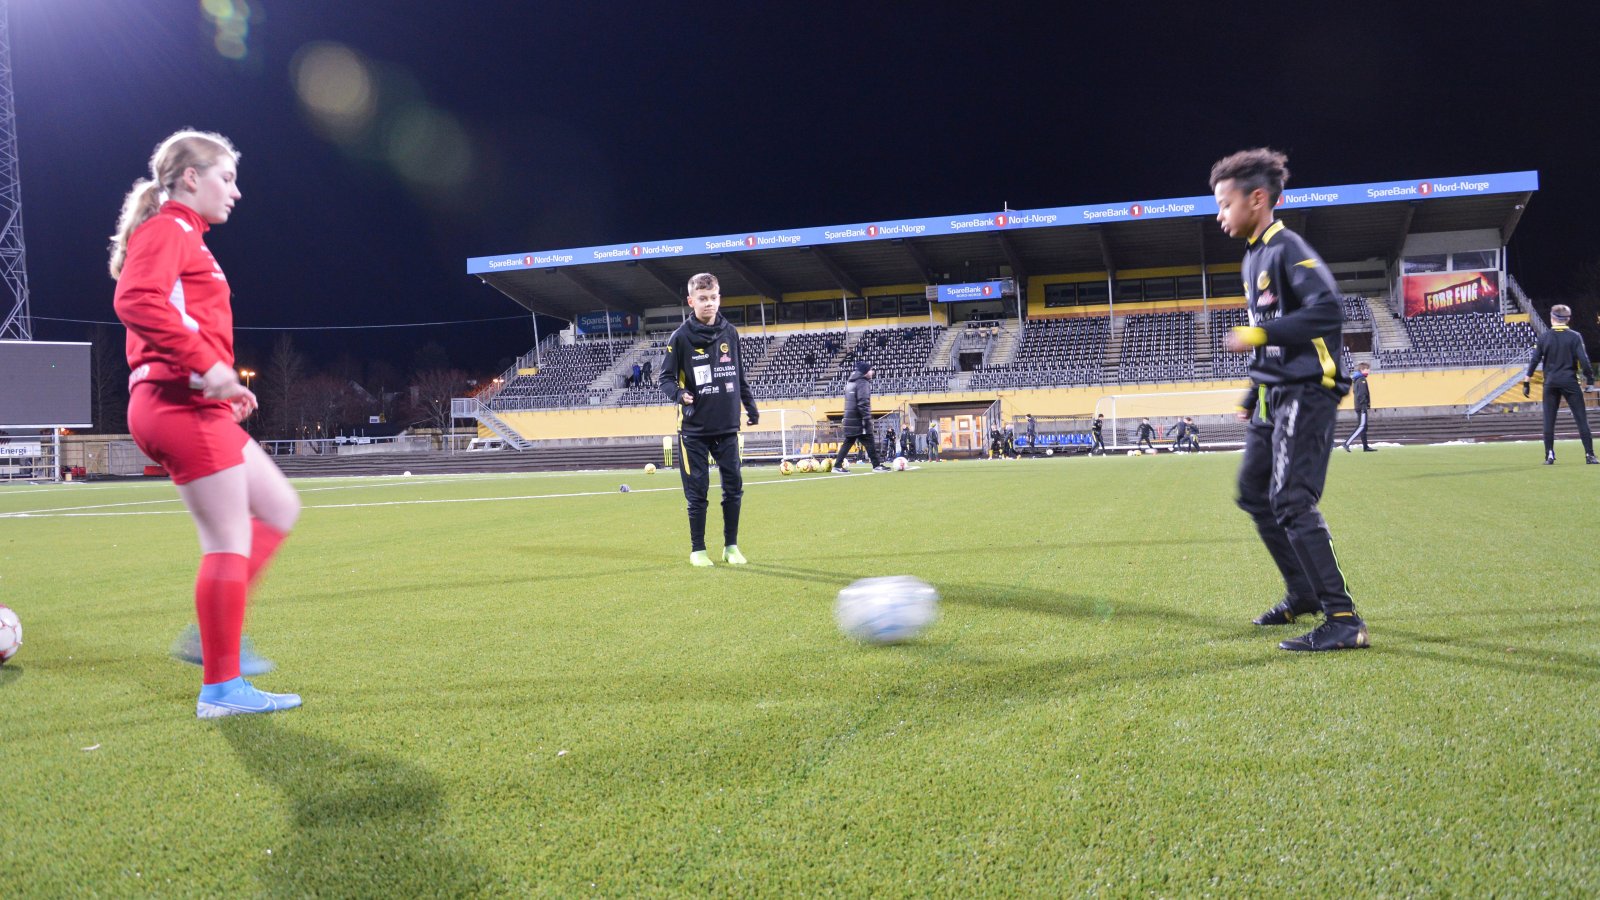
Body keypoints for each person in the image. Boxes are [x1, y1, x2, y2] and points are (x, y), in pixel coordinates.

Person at [111, 129, 303, 717]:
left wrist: (222, 387)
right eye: (227, 177)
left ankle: (213, 632)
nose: (236, 192)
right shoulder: (168, 228)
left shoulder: (188, 236)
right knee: (227, 540)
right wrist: (206, 367)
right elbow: (135, 300)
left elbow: (179, 319)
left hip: (191, 402)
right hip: (174, 405)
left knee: (279, 508)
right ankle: (221, 688)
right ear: (190, 177)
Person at [1215, 147, 1368, 651]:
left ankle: (1343, 619)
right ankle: (1302, 593)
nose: (1220, 216)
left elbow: (1328, 312)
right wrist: (1251, 389)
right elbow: (1271, 331)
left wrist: (1257, 340)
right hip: (1274, 392)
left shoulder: (1287, 247)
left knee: (1292, 500)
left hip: (1309, 390)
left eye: (1225, 204)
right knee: (1253, 492)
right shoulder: (1251, 257)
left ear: (1257, 199)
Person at [658, 272, 760, 566]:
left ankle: (731, 546)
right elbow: (664, 379)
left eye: (713, 297)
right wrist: (679, 395)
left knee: (733, 487)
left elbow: (739, 375)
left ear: (719, 298)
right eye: (702, 299)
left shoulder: (730, 333)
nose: (709, 304)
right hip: (694, 429)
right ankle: (698, 550)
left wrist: (750, 407)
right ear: (691, 301)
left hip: (728, 426)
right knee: (697, 490)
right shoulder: (680, 338)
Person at [1521, 304, 1596, 465]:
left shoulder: (1544, 337)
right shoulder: (1575, 336)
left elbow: (1534, 360)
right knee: (1581, 419)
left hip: (1551, 383)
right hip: (1570, 381)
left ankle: (1549, 455)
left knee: (1549, 420)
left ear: (1552, 318)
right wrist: (1589, 380)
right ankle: (1590, 455)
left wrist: (1526, 382)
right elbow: (1584, 360)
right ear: (1568, 319)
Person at [832, 361, 887, 472]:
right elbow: (863, 402)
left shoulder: (850, 383)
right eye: (870, 370)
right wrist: (867, 419)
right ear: (865, 372)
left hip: (850, 419)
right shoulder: (863, 383)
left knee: (848, 442)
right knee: (869, 440)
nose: (872, 372)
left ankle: (837, 466)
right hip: (859, 419)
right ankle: (876, 466)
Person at [1342, 362, 1375, 452]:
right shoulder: (1362, 380)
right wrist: (1364, 406)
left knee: (1364, 427)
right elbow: (1362, 394)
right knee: (1361, 426)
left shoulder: (1357, 380)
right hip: (1361, 407)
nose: (1369, 371)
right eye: (1367, 369)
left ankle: (1365, 446)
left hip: (1359, 406)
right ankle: (1346, 443)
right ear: (1362, 370)